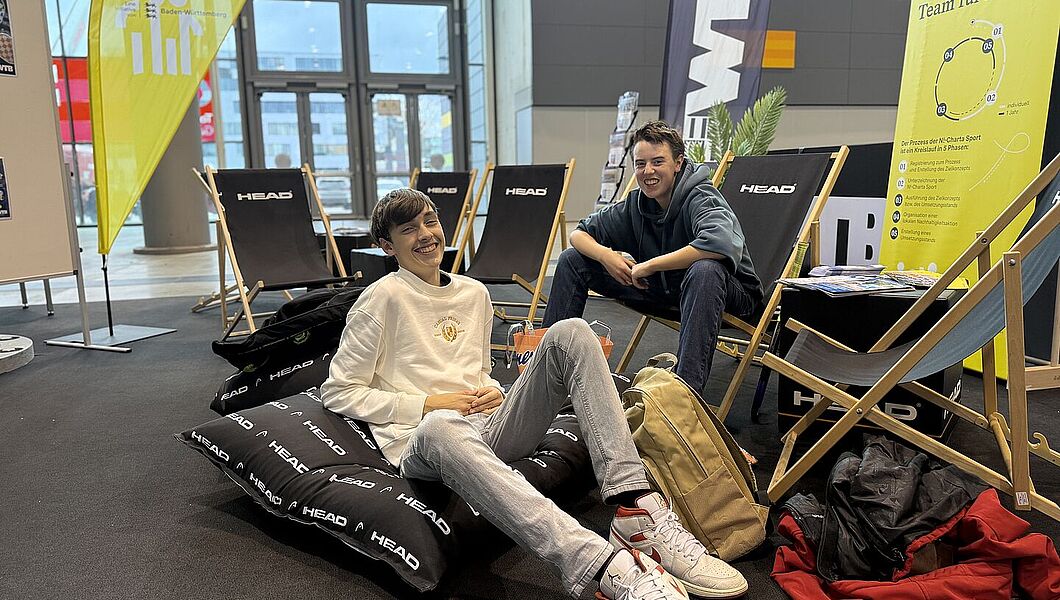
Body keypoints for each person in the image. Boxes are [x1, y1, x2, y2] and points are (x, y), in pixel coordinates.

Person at [321, 188, 748, 600]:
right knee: (441, 425)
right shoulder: (381, 299)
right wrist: (428, 403)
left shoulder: (474, 293)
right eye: (409, 229)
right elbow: (338, 391)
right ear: (388, 246)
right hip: (426, 440)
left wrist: (492, 391)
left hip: (488, 426)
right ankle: (600, 565)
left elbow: (479, 371)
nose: (426, 235)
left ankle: (636, 508)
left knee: (572, 332)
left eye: (430, 222)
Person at [541, 121, 763, 395]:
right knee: (572, 260)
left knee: (705, 269)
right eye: (640, 164)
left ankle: (684, 394)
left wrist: (649, 265)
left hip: (726, 296)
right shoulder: (637, 205)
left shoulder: (701, 197)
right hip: (664, 289)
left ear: (678, 163)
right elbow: (579, 234)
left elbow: (717, 245)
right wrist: (607, 256)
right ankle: (545, 373)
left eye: (658, 162)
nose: (648, 171)